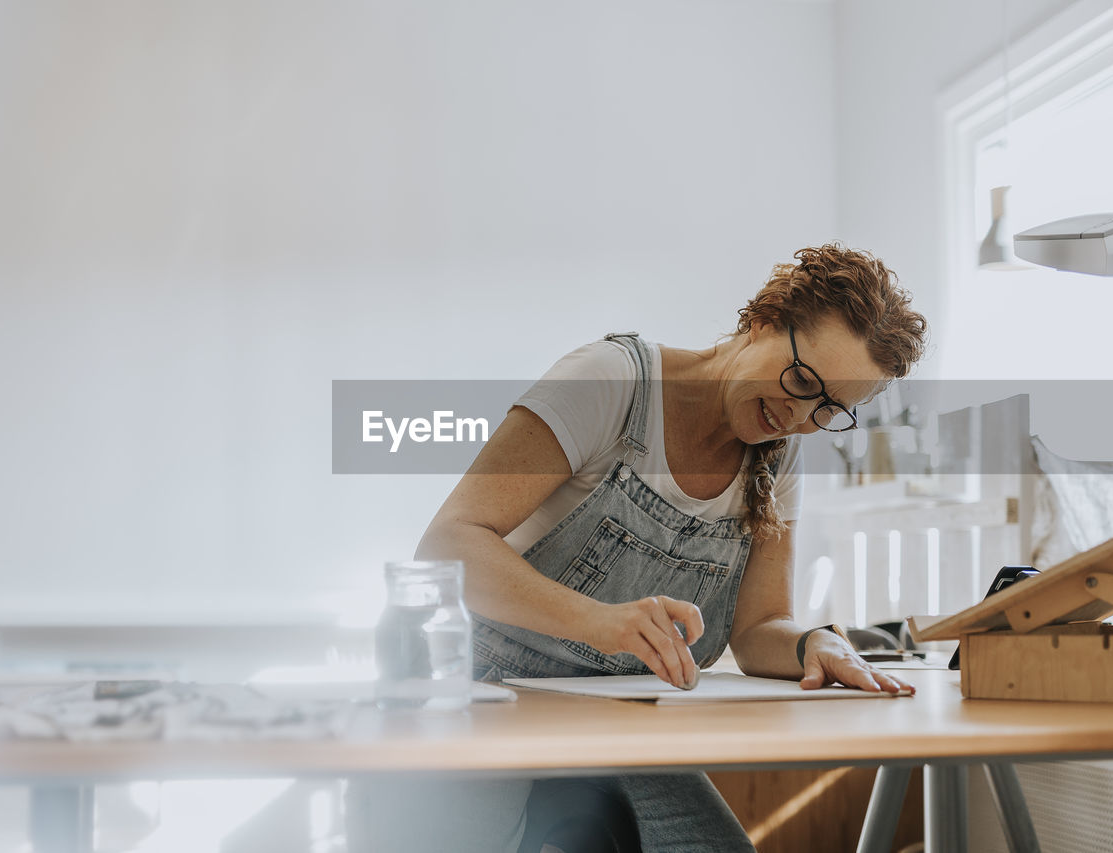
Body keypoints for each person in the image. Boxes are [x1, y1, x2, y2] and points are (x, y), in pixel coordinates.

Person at [349, 244, 928, 853]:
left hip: (621, 715)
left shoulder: (778, 457)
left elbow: (759, 627)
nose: (800, 413)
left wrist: (815, 642)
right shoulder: (613, 381)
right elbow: (448, 545)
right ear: (762, 320)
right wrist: (601, 622)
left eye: (830, 407)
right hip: (486, 693)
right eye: (802, 379)